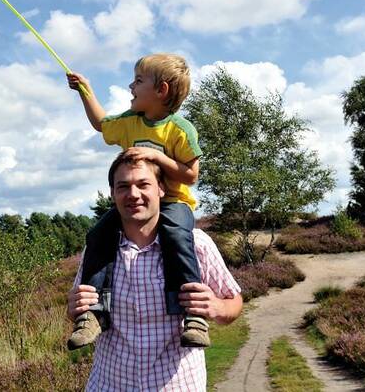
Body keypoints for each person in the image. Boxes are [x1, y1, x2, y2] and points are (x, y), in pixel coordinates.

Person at [67, 53, 207, 349]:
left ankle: (193, 315)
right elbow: (101, 124)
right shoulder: (130, 122)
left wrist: (157, 156)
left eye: (138, 81)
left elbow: (191, 175)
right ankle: (94, 313)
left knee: (177, 236)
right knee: (98, 235)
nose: (131, 86)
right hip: (135, 205)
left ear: (161, 91)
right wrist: (85, 91)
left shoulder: (180, 130)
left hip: (173, 203)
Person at [67, 153, 243, 391]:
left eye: (143, 184)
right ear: (112, 194)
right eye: (123, 186)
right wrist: (73, 309)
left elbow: (234, 302)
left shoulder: (195, 244)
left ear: (161, 189)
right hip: (109, 384)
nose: (133, 194)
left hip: (178, 385)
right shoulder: (97, 248)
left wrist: (218, 307)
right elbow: (80, 308)